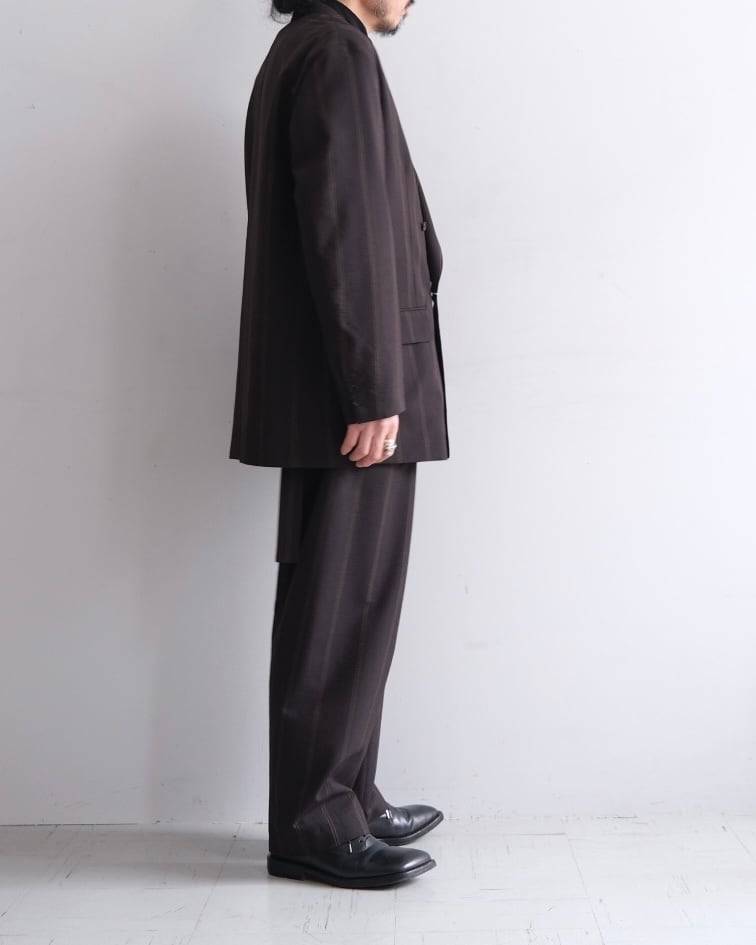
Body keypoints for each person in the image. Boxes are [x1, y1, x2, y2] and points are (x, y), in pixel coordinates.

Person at [228, 0, 450, 889]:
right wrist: (372, 389)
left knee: (354, 604)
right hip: (353, 396)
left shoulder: (316, 50)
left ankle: (347, 795)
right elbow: (343, 228)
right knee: (337, 606)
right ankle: (314, 821)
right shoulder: (333, 56)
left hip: (350, 388)